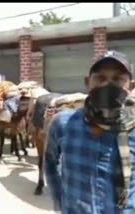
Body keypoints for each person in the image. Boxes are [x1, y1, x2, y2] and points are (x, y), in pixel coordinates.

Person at [45, 50, 135, 214]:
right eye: (100, 78)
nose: (107, 84)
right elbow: (50, 164)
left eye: (117, 79)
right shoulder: (63, 123)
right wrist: (61, 204)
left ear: (131, 86)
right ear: (88, 83)